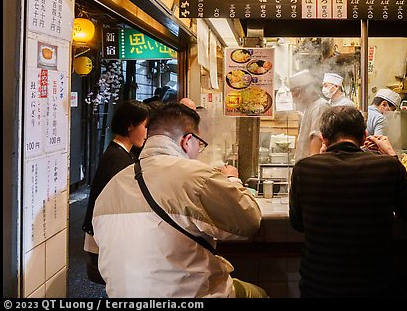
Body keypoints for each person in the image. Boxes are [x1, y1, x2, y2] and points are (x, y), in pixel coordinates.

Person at [92, 102, 267, 298]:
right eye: (200, 145)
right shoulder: (196, 176)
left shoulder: (112, 187)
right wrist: (232, 179)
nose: (198, 152)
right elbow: (249, 221)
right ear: (187, 141)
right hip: (189, 295)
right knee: (257, 293)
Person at [289, 105, 407, 297]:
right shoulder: (388, 166)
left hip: (319, 284)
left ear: (324, 138)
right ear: (365, 136)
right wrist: (392, 155)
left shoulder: (305, 168)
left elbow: (297, 223)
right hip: (375, 285)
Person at [82, 99, 151, 284]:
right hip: (102, 243)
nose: (147, 133)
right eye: (145, 126)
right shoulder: (117, 159)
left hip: (103, 238)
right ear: (130, 126)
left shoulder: (121, 153)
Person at [288, 69, 330, 163]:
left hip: (311, 167)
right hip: (305, 164)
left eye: (293, 92)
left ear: (301, 90)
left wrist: (311, 167)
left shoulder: (319, 106)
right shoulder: (309, 107)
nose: (293, 97)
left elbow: (317, 139)